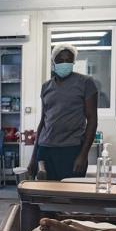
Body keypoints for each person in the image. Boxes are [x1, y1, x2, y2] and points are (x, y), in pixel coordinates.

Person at [30, 43, 99, 181]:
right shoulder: (46, 87)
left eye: (68, 60)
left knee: (69, 196)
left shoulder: (85, 83)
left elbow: (92, 120)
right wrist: (33, 157)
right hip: (46, 149)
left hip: (71, 150)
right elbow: (43, 121)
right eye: (60, 60)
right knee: (46, 194)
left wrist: (83, 154)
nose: (65, 63)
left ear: (74, 62)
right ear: (53, 62)